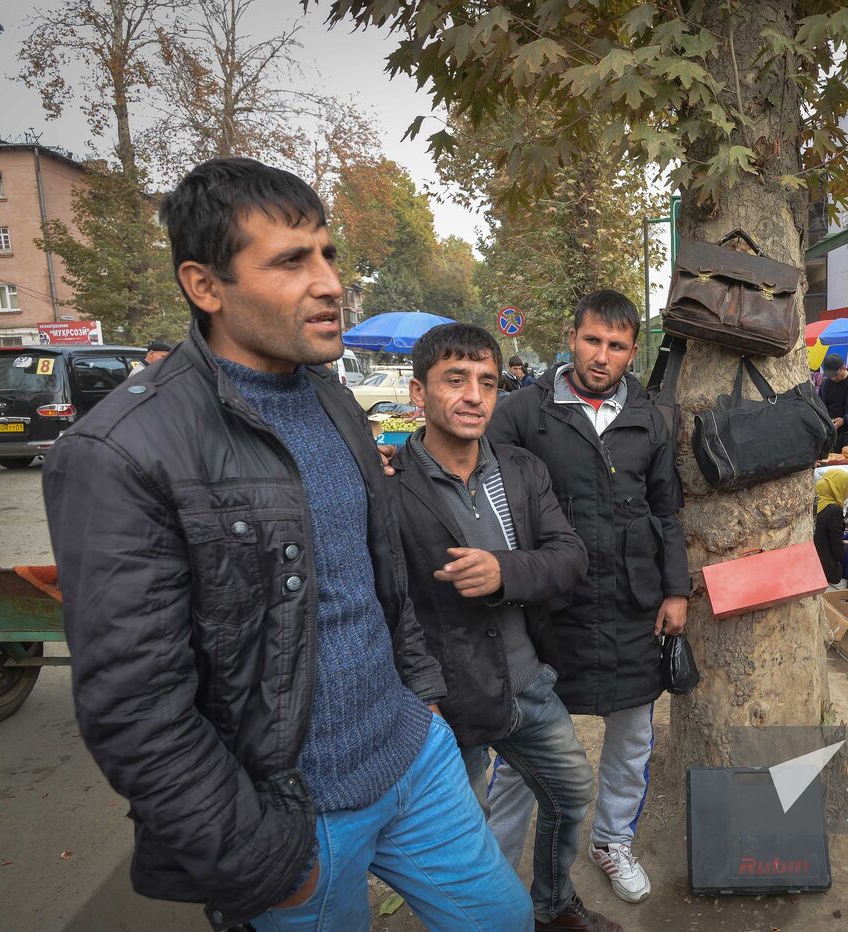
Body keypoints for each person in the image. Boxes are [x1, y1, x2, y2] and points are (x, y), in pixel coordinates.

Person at [42, 158, 531, 931]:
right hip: (293, 820)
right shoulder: (122, 451)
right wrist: (264, 861)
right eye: (291, 261)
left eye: (328, 254)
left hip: (413, 759)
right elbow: (135, 709)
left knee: (504, 918)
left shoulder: (334, 401)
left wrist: (421, 697)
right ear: (206, 286)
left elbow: (379, 578)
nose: (331, 282)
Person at [385, 322, 617, 932]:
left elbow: (570, 555)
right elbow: (388, 602)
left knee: (570, 796)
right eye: (454, 380)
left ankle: (552, 906)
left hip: (530, 684)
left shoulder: (519, 469)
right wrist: (419, 693)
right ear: (418, 394)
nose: (473, 396)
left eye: (487, 382)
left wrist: (503, 570)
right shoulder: (388, 488)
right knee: (459, 844)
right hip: (449, 702)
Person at [487, 289, 690, 905]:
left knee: (632, 736)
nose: (602, 356)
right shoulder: (524, 412)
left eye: (617, 346)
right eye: (593, 340)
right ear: (572, 338)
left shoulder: (651, 419)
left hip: (633, 603)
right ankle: (492, 864)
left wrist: (676, 590)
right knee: (527, 743)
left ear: (633, 353)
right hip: (550, 611)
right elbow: (475, 478)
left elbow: (667, 511)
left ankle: (612, 841)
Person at [814, 469, 848, 587]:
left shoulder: (815, 503)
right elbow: (838, 552)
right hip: (827, 569)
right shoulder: (833, 510)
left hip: (815, 560)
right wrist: (847, 546)